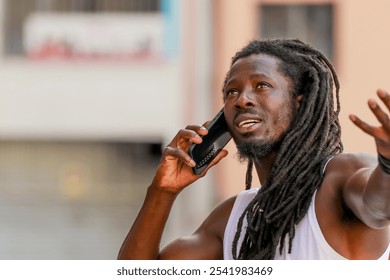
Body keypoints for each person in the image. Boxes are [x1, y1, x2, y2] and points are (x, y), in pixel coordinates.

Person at [118, 39, 390, 260]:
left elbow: (377, 205)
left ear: (300, 103)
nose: (242, 99)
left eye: (262, 86)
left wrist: (387, 165)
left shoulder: (341, 176)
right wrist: (161, 193)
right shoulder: (231, 219)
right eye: (231, 92)